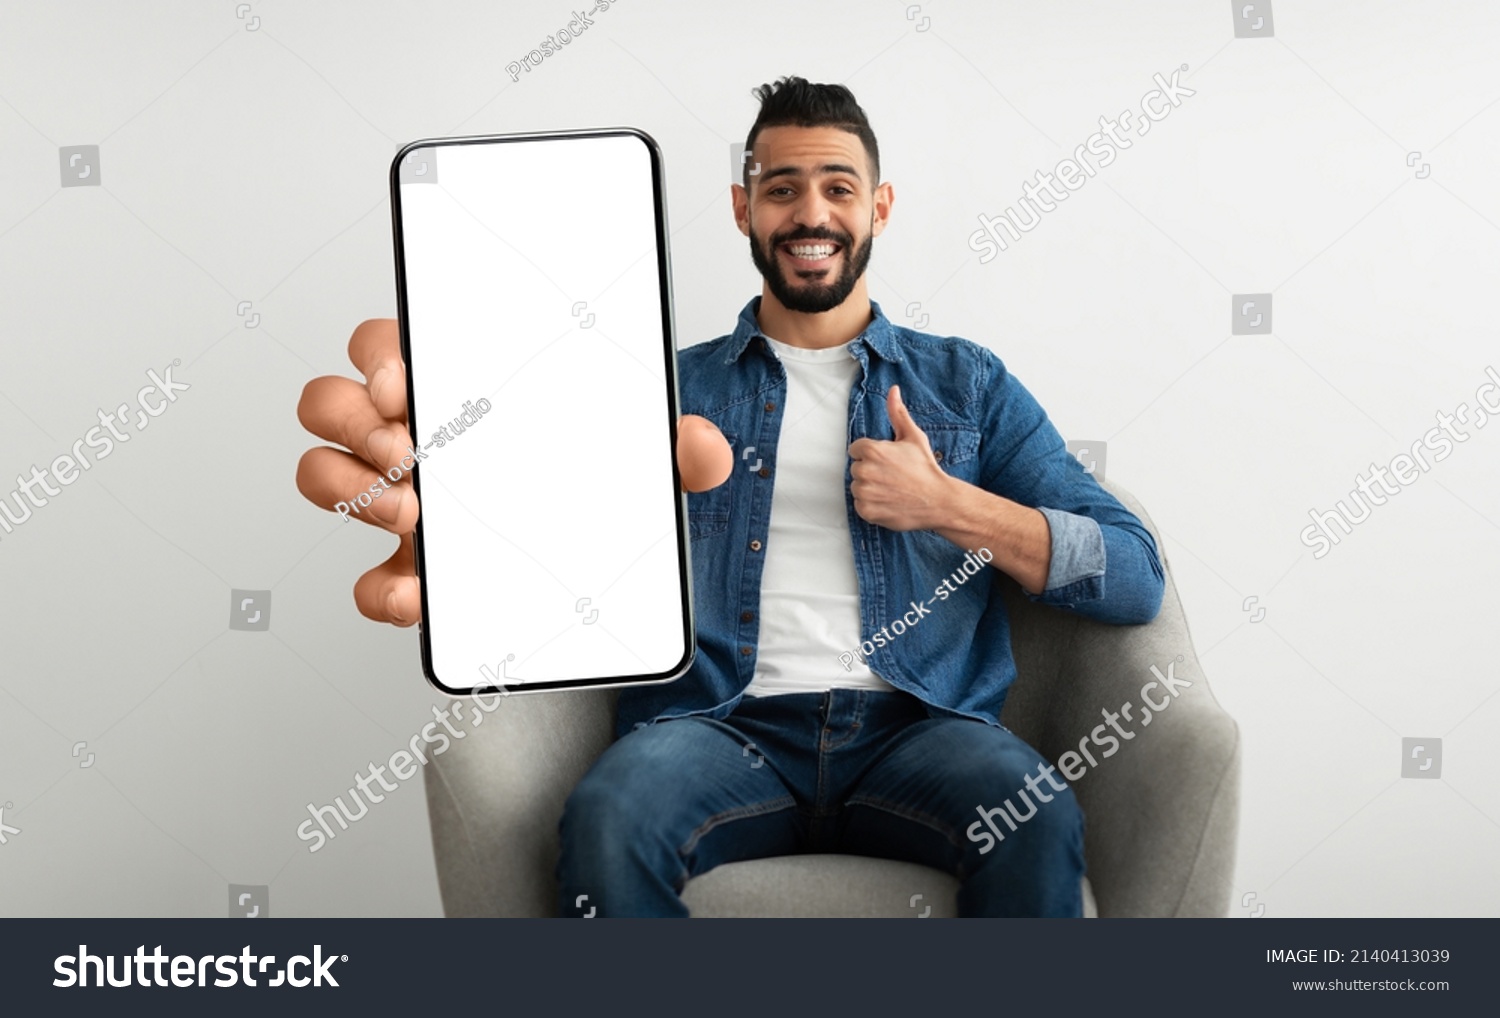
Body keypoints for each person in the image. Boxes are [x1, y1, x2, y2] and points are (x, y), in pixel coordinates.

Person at [297, 76, 1165, 917]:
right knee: (610, 820)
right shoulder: (657, 391)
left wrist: (951, 506)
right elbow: (556, 551)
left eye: (838, 187)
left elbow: (1133, 573)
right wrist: (462, 536)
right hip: (718, 726)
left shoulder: (966, 383)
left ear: (881, 206)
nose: (812, 214)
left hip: (924, 730)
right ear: (744, 209)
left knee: (1034, 815)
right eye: (781, 188)